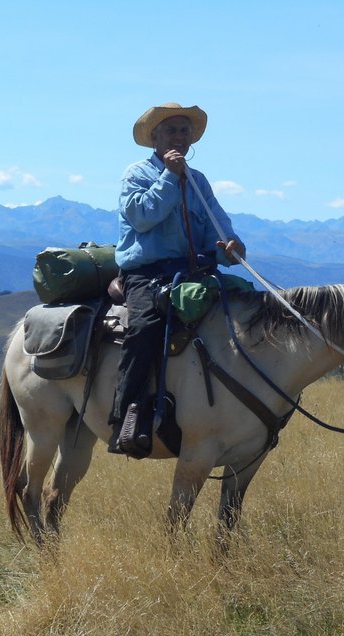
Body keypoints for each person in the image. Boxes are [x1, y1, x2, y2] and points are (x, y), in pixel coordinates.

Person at [109, 103, 246, 458]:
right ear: (155, 137)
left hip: (194, 272)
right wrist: (170, 177)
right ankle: (126, 418)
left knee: (244, 308)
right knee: (144, 328)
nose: (179, 137)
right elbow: (142, 216)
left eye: (185, 130)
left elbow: (217, 224)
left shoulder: (199, 181)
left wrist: (230, 247)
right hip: (147, 274)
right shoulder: (136, 174)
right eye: (171, 130)